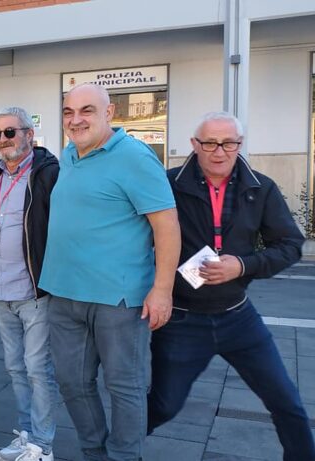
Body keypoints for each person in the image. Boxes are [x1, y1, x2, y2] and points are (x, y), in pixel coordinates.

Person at [148, 112, 314, 459]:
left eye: (229, 143)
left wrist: (242, 265)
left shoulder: (260, 188)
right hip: (182, 320)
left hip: (238, 318)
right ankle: (115, 449)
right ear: (195, 145)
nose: (219, 151)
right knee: (162, 407)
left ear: (240, 145)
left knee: (288, 404)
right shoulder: (167, 184)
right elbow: (138, 239)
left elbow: (289, 245)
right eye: (209, 142)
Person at [39, 83, 180, 461]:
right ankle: (94, 452)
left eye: (86, 110)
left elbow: (166, 225)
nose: (76, 119)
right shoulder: (69, 154)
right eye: (69, 112)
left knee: (125, 387)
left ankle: (124, 456)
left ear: (109, 113)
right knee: (71, 382)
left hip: (118, 298)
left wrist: (162, 289)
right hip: (64, 293)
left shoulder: (134, 157)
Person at [0, 107, 60, 461]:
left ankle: (43, 444)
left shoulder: (47, 175)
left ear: (29, 134)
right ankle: (26, 433)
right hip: (1, 293)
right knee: (14, 368)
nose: (3, 141)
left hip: (34, 291)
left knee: (37, 369)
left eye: (10, 133)